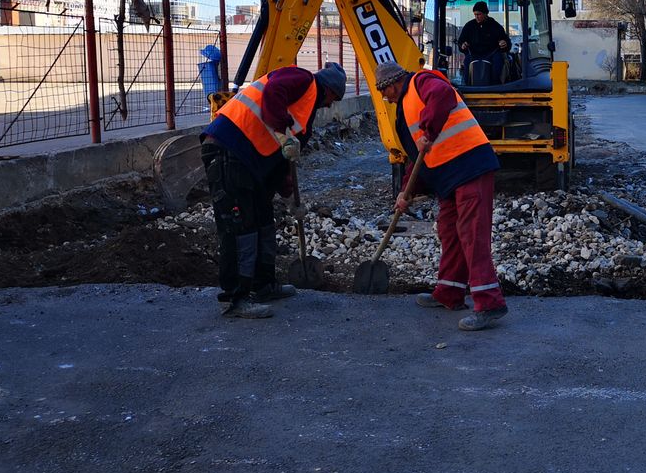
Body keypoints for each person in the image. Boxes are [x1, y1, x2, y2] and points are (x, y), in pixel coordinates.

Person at [200, 62, 347, 318]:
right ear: (330, 90)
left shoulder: (305, 111)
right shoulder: (302, 79)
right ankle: (236, 298)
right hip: (229, 148)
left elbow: (284, 159)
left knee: (263, 220)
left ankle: (263, 285)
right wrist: (281, 129)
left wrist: (289, 194)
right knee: (240, 228)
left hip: (251, 161)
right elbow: (273, 94)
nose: (330, 105)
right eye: (334, 98)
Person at [374, 61, 508, 332]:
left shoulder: (422, 82)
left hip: (470, 166)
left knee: (472, 234)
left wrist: (428, 131)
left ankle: (489, 303)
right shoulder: (404, 108)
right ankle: (449, 292)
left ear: (392, 84)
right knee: (449, 230)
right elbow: (418, 158)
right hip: (449, 177)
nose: (384, 97)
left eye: (383, 91)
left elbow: (443, 96)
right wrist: (406, 192)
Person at [456, 1, 510, 85]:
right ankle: (468, 85)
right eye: (475, 15)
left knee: (498, 62)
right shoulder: (469, 26)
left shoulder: (495, 26)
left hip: (492, 54)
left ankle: (495, 86)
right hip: (473, 54)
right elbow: (461, 42)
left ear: (486, 13)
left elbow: (506, 42)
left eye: (479, 14)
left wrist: (504, 43)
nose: (476, 17)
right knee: (466, 62)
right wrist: (462, 45)